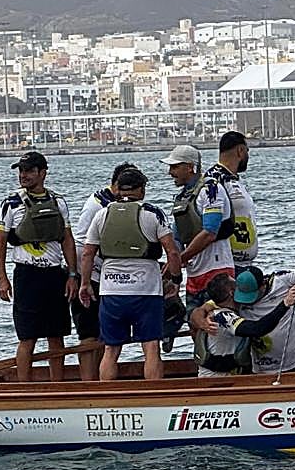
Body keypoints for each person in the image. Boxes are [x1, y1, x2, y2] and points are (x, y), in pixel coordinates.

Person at [79, 167, 181, 381]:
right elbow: (172, 251)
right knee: (151, 347)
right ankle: (153, 397)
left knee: (111, 349)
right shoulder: (153, 213)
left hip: (111, 291)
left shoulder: (102, 214)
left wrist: (85, 283)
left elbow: (88, 253)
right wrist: (175, 278)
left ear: (118, 189)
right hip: (147, 292)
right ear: (141, 190)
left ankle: (108, 399)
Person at [0, 150, 79, 382]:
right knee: (27, 336)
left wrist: (72, 274)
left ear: (43, 173)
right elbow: (0, 242)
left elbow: (67, 240)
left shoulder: (58, 202)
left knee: (56, 335)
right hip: (26, 275)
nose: (24, 175)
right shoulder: (10, 204)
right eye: (21, 171)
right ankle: (24, 388)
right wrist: (2, 278)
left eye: (30, 170)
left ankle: (57, 385)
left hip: (53, 274)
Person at [70, 160, 139, 380]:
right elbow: (87, 246)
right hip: (89, 274)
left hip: (104, 275)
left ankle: (101, 379)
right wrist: (83, 280)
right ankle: (90, 385)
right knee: (89, 335)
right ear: (118, 186)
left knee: (104, 334)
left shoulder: (112, 203)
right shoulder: (101, 206)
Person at [162, 144, 234, 347]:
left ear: (190, 167)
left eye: (175, 167)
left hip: (217, 269)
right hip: (195, 273)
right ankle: (202, 367)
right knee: (195, 326)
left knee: (218, 325)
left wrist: (181, 258)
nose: (170, 172)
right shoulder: (182, 197)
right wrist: (171, 265)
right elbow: (177, 235)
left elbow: (210, 232)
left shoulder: (211, 190)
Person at [191, 272, 295, 377]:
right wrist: (285, 304)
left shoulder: (220, 306)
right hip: (216, 378)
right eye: (237, 286)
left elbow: (200, 309)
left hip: (233, 374)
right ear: (232, 292)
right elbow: (257, 329)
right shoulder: (222, 316)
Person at [207, 131, 259, 270]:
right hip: (226, 264)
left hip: (242, 263)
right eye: (247, 151)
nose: (248, 156)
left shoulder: (231, 179)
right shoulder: (214, 180)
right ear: (240, 151)